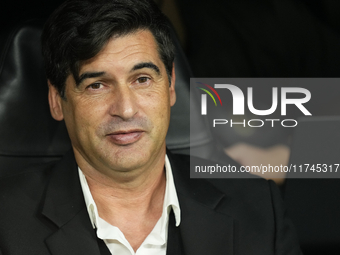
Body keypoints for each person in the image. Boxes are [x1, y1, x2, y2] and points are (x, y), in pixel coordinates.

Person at [0, 0, 302, 254]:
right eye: (97, 85)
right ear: (57, 100)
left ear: (170, 86)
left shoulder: (260, 210)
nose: (126, 108)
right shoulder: (6, 223)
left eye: (142, 79)